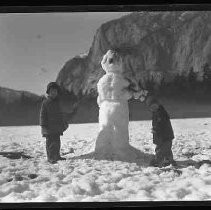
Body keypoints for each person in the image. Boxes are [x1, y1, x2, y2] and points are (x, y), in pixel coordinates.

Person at [95, 50, 140, 160]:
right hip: (118, 107)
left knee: (104, 128)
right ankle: (120, 150)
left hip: (105, 108)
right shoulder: (121, 79)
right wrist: (133, 93)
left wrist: (102, 103)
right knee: (119, 129)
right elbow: (124, 94)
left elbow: (99, 98)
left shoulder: (101, 81)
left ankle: (102, 149)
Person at [40, 82, 69, 164]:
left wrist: (64, 122)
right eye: (52, 91)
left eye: (55, 91)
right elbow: (42, 115)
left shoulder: (58, 102)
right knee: (50, 144)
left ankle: (57, 156)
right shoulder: (45, 103)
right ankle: (50, 157)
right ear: (48, 92)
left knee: (57, 143)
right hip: (48, 128)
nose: (54, 93)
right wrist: (43, 125)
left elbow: (61, 114)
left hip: (57, 127)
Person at [145, 96, 177, 167]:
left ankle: (158, 161)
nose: (153, 108)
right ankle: (168, 160)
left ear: (158, 105)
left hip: (164, 135)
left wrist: (155, 129)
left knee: (161, 149)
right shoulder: (156, 112)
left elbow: (161, 124)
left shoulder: (161, 113)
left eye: (154, 106)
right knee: (166, 149)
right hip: (162, 136)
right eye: (151, 107)